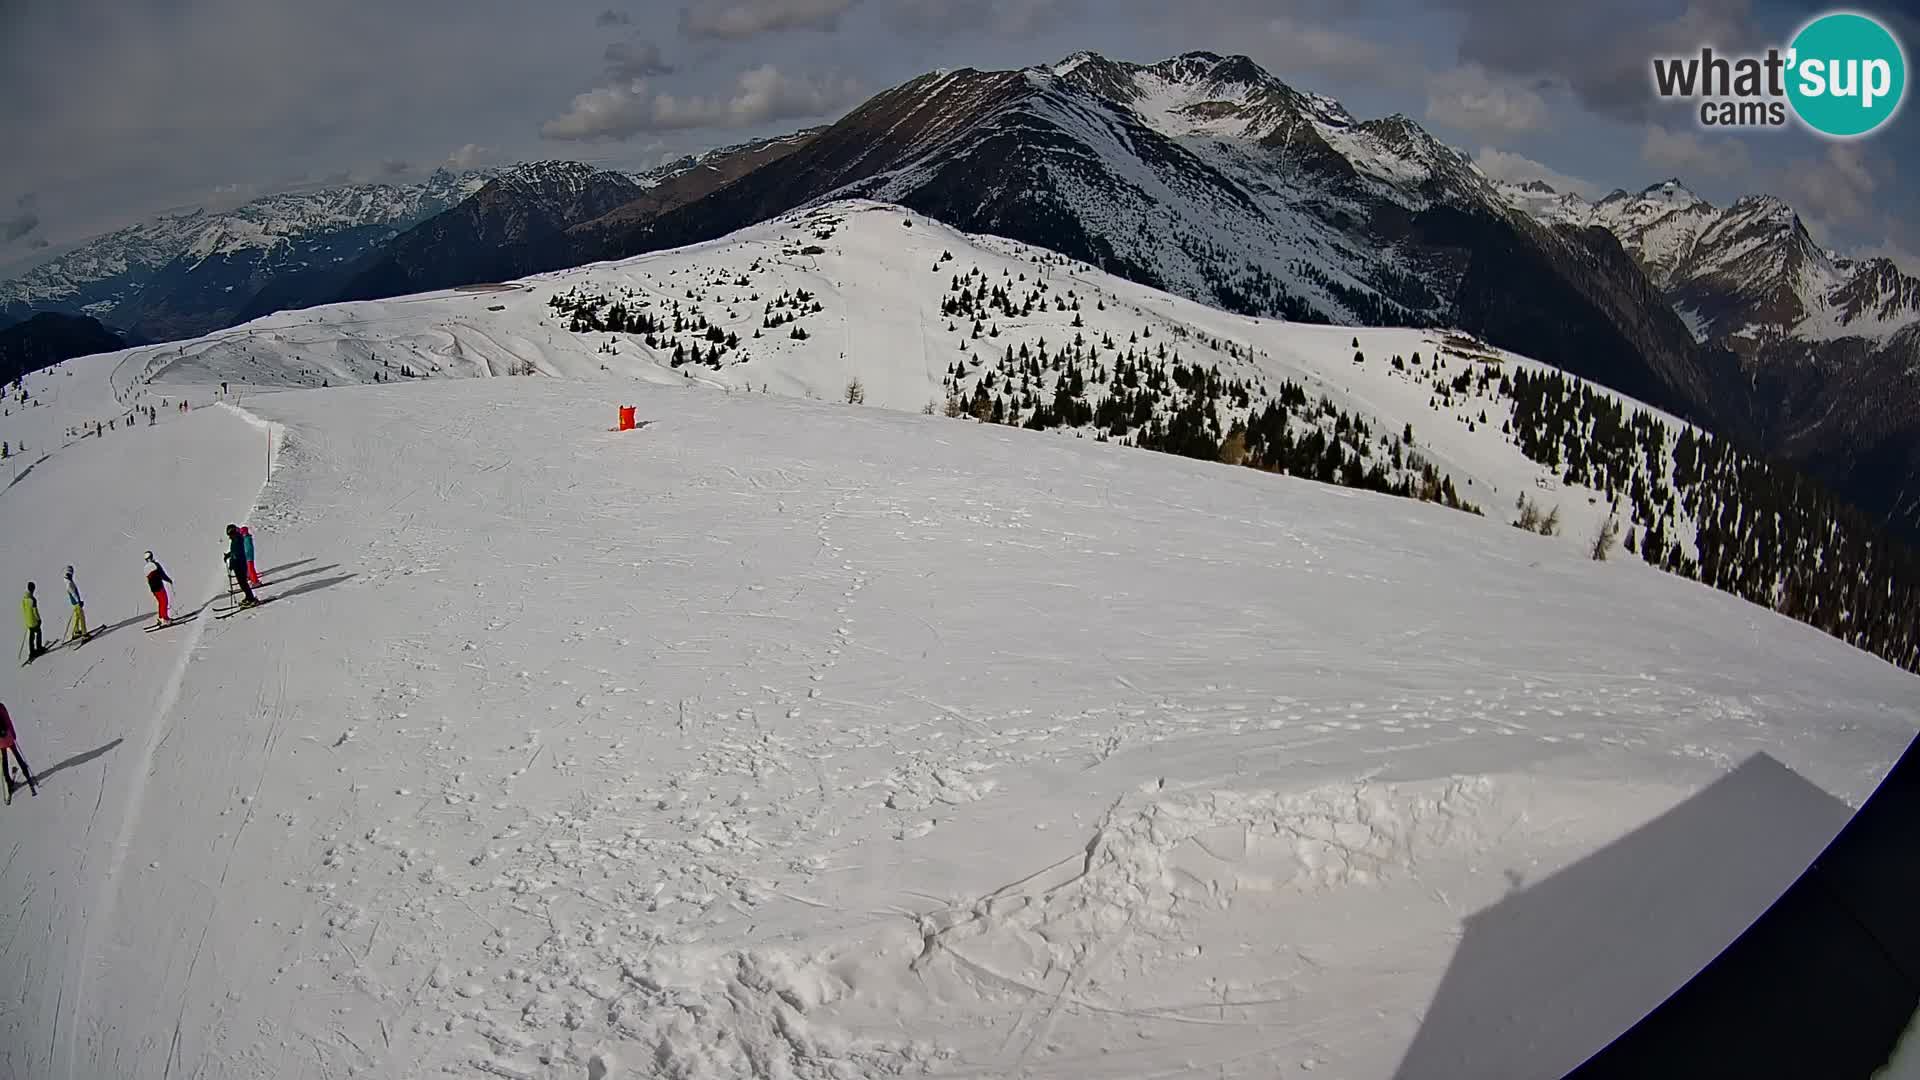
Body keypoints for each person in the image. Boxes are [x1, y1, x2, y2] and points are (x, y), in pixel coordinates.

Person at [0, 701, 36, 804]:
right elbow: (7, 721)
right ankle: (27, 775)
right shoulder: (1, 707)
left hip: (0, 742)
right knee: (17, 755)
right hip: (7, 736)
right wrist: (13, 735)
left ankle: (8, 782)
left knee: (4, 761)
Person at [225, 525, 258, 606]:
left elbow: (237, 553)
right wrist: (228, 555)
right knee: (242, 583)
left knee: (243, 583)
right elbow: (234, 551)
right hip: (238, 564)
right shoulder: (235, 539)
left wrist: (233, 560)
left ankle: (251, 599)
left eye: (230, 534)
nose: (229, 536)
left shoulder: (237, 539)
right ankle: (248, 597)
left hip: (240, 564)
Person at [145, 551, 173, 626]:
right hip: (159, 587)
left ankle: (161, 617)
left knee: (161, 602)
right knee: (164, 602)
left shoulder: (146, 568)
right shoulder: (155, 565)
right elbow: (162, 574)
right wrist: (169, 580)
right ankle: (165, 619)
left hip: (154, 589)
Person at [64, 566, 87, 643]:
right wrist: (79, 602)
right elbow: (73, 594)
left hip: (74, 603)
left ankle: (76, 631)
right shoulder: (69, 583)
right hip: (76, 603)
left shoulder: (68, 581)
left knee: (77, 617)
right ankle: (84, 634)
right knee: (82, 617)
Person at [21, 582, 43, 660]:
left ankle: (32, 651)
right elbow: (35, 611)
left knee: (31, 635)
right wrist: (39, 619)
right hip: (34, 621)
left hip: (28, 621)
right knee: (39, 632)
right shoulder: (32, 599)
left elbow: (24, 610)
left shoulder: (24, 599)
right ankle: (39, 648)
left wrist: (26, 620)